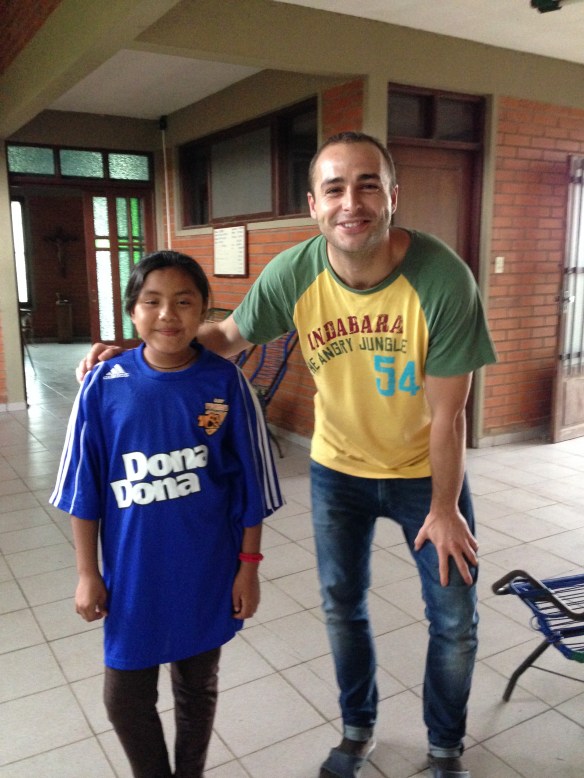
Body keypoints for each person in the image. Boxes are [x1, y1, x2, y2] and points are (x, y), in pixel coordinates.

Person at [79, 132, 497, 778]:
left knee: (453, 616)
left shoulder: (442, 279)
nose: (351, 203)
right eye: (335, 189)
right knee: (342, 606)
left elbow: (449, 414)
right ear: (313, 204)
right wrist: (138, 353)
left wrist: (446, 508)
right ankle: (357, 730)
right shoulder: (296, 272)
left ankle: (445, 747)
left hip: (425, 473)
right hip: (338, 469)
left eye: (367, 185)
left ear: (393, 195)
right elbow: (224, 337)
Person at [55, 250, 283, 778]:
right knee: (124, 699)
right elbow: (83, 492)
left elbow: (251, 488)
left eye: (184, 302)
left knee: (197, 687)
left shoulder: (225, 384)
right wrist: (88, 573)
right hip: (134, 577)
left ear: (203, 310)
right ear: (132, 311)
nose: (167, 315)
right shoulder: (103, 385)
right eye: (152, 302)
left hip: (208, 571)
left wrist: (248, 568)